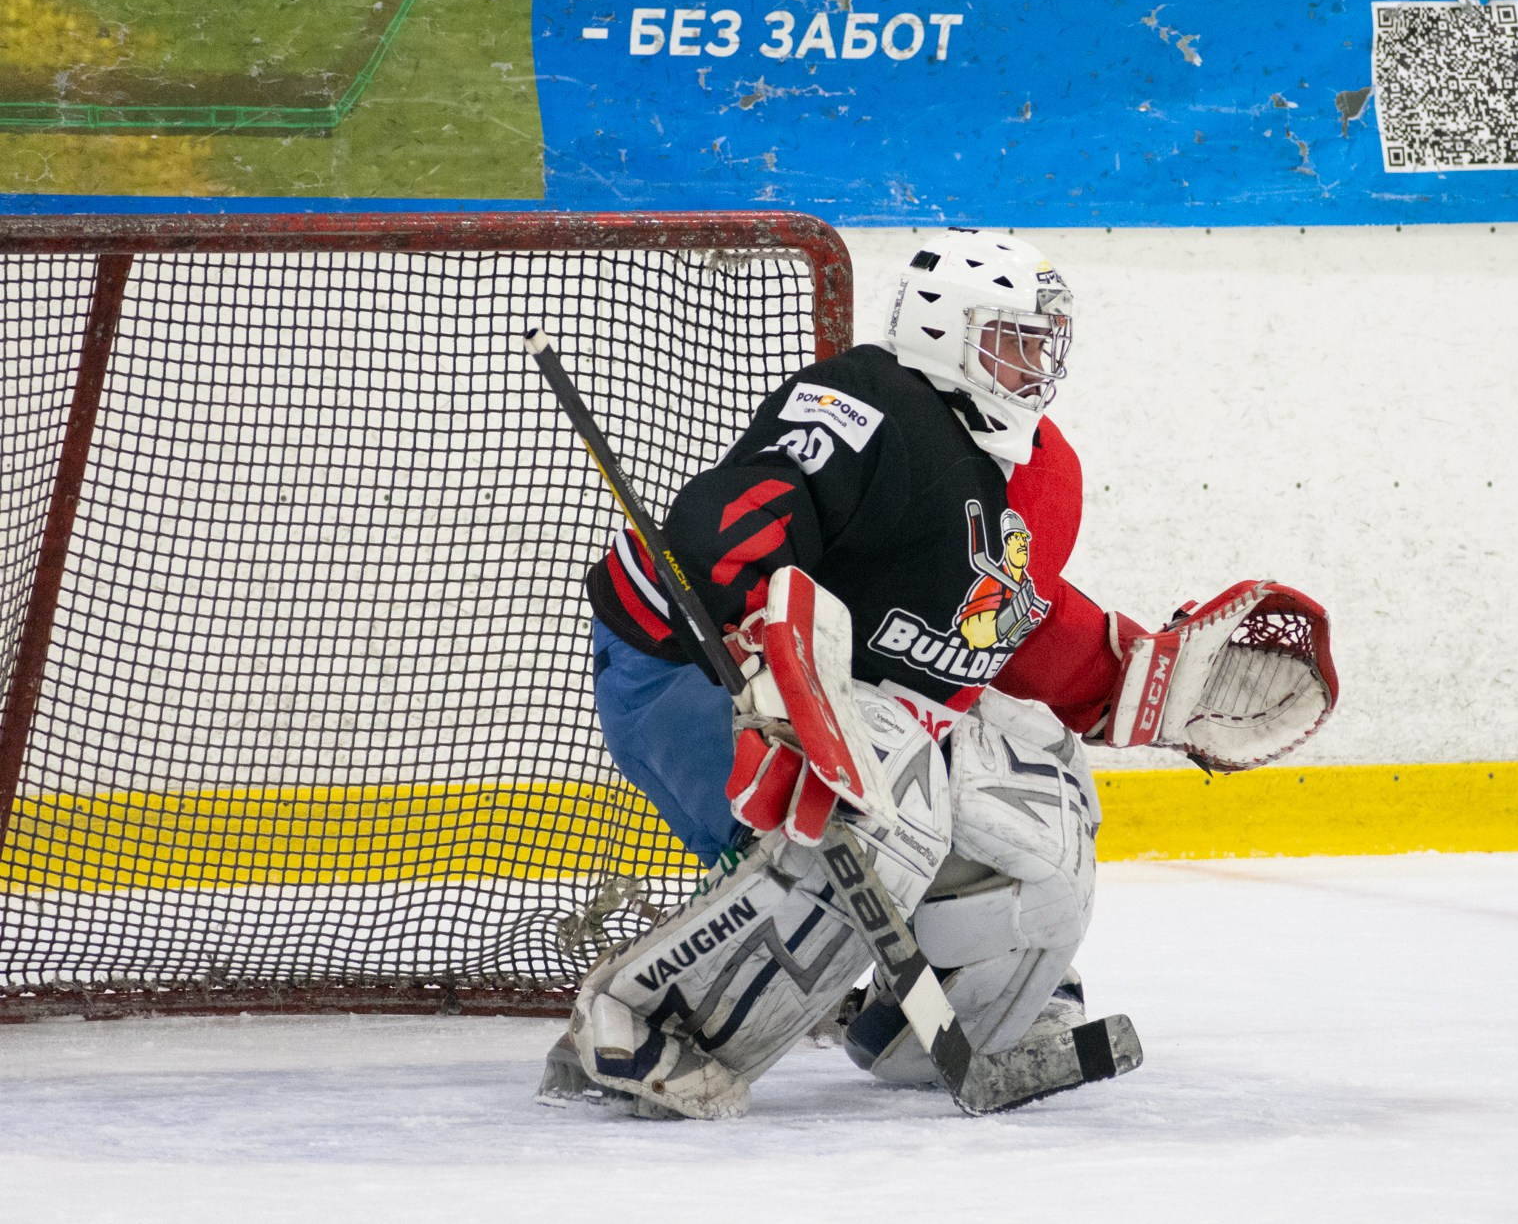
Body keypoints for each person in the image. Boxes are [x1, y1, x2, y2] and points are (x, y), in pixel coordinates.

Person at [545, 227, 1337, 1118]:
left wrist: (1132, 681)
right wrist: (766, 663)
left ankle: (952, 1022)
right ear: (941, 327)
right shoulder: (867, 404)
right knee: (886, 795)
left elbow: (999, 621)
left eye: (1044, 343)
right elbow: (732, 525)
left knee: (1043, 790)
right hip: (685, 671)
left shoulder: (1043, 473)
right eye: (1013, 339)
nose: (1035, 364)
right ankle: (639, 1022)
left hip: (854, 703)